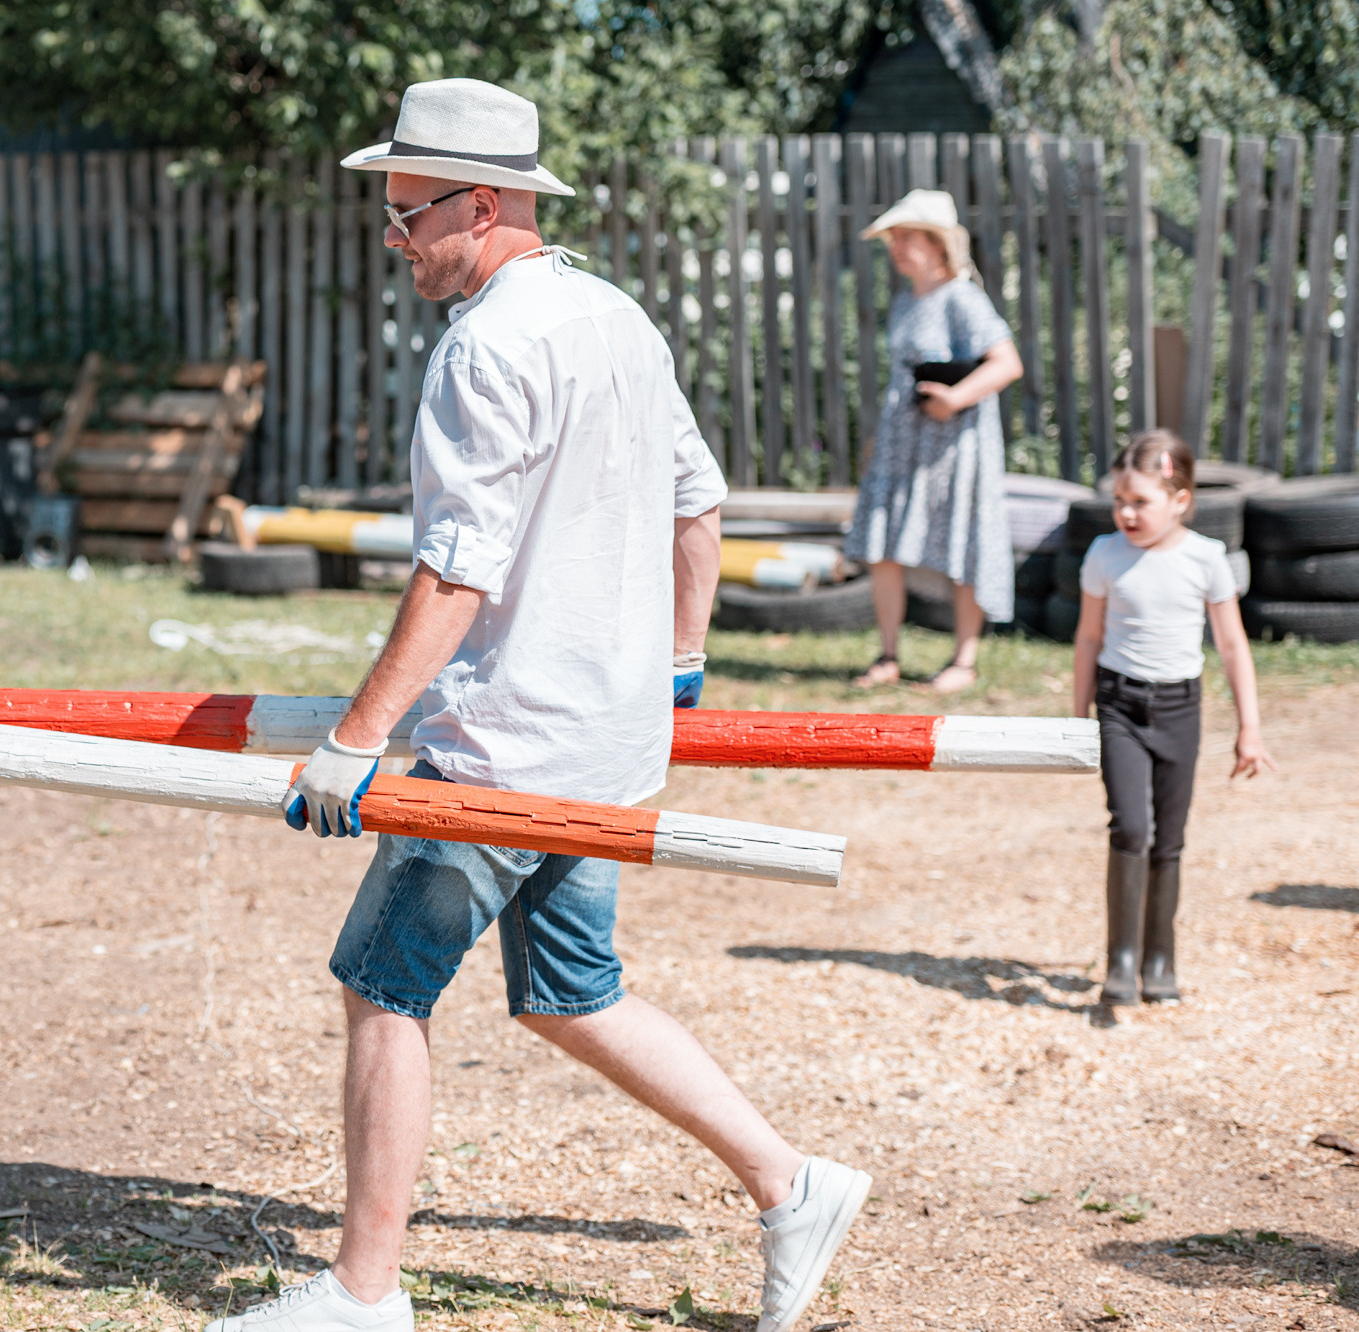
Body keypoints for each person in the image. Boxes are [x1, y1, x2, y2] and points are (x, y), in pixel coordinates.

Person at [207, 80, 868, 1332]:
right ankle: (792, 1184)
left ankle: (361, 1294)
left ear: (487, 203)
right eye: (389, 214)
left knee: (380, 989)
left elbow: (459, 567)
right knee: (572, 993)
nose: (391, 240)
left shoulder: (486, 346)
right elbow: (698, 500)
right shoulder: (614, 315)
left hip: (505, 748)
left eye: (408, 216)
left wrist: (353, 744)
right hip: (604, 742)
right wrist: (677, 663)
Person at [1072, 430, 1275, 1006]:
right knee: (1131, 826)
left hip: (1180, 708)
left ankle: (1160, 957)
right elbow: (1088, 638)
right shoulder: (1104, 555)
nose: (1127, 513)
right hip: (1118, 706)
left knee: (1170, 839)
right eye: (1120, 501)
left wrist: (1249, 728)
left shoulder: (1207, 559)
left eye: (1141, 501)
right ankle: (1122, 959)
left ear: (1180, 499)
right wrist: (1078, 715)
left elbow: (1233, 647)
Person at [845, 190, 1022, 694]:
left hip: (954, 444)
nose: (896, 246)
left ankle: (963, 661)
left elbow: (1007, 363)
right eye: (893, 238)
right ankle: (887, 655)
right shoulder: (906, 299)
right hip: (904, 442)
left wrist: (953, 398)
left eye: (905, 236)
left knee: (964, 540)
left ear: (935, 242)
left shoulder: (963, 296)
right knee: (882, 543)